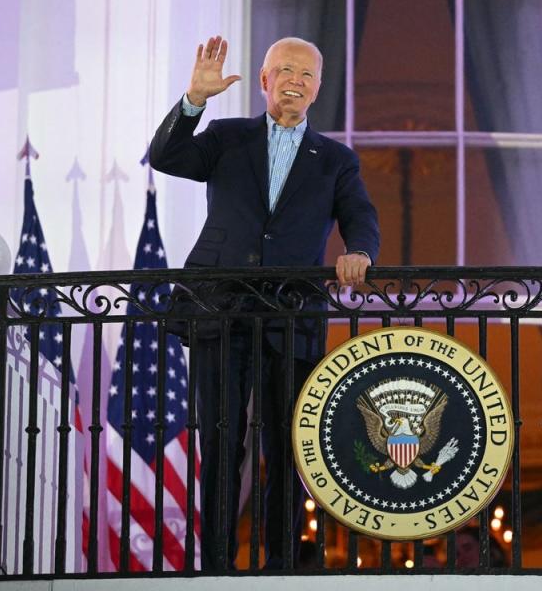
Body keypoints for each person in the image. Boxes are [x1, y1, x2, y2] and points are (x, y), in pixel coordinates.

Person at [149, 35, 380, 571]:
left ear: (317, 88)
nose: (294, 82)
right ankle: (217, 566)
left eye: (305, 74)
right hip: (219, 308)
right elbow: (166, 157)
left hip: (292, 312)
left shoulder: (337, 161)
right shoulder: (227, 137)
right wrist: (193, 101)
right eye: (284, 71)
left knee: (287, 445)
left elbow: (359, 216)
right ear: (263, 80)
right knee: (221, 440)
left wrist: (361, 251)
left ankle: (280, 565)